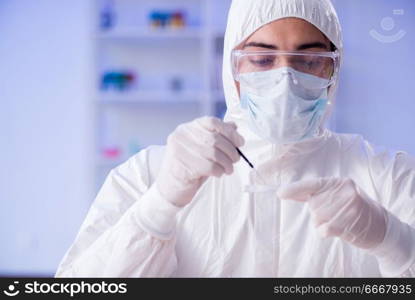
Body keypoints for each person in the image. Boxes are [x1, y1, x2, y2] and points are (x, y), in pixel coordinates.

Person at [56, 0, 415, 277]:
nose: (285, 78)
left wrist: (393, 241)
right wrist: (159, 205)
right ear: (233, 69)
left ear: (333, 69)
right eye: (261, 59)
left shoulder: (388, 176)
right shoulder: (149, 174)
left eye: (309, 60)